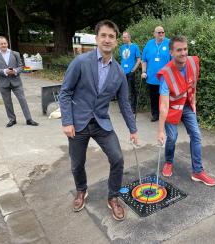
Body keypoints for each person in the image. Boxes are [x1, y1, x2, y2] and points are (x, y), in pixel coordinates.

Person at [59, 20, 138, 221]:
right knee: (77, 163)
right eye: (103, 35)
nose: (107, 39)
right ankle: (81, 190)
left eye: (111, 36)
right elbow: (65, 92)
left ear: (116, 41)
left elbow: (124, 103)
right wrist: (67, 122)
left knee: (118, 158)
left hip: (102, 122)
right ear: (96, 39)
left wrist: (133, 129)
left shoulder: (119, 72)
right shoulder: (80, 62)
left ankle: (112, 197)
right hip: (78, 122)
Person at [156, 35, 215, 186]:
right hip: (172, 109)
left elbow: (193, 83)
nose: (183, 53)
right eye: (179, 50)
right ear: (171, 52)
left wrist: (194, 101)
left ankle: (197, 171)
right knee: (172, 137)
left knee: (196, 135)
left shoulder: (192, 62)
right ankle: (169, 162)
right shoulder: (166, 74)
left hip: (187, 105)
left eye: (185, 49)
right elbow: (163, 106)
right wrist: (160, 130)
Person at [0, 36, 39, 127]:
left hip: (16, 82)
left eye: (5, 43)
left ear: (7, 43)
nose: (4, 45)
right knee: (7, 102)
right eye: (1, 44)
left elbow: (21, 66)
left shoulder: (15, 53)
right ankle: (12, 120)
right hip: (3, 83)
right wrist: (4, 71)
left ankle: (29, 119)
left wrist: (15, 71)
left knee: (23, 100)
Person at [141, 26, 171, 122]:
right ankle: (155, 115)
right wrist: (144, 71)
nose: (161, 34)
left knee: (164, 98)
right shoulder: (149, 44)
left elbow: (174, 60)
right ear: (154, 34)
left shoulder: (169, 43)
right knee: (153, 98)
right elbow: (144, 60)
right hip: (152, 78)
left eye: (162, 32)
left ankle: (165, 115)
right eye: (159, 32)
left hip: (165, 78)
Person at [119, 31, 141, 114]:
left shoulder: (135, 47)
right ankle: (124, 108)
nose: (123, 39)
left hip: (130, 72)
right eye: (123, 37)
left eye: (125, 37)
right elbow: (123, 59)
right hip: (122, 72)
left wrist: (133, 70)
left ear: (129, 38)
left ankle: (133, 108)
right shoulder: (122, 47)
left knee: (131, 91)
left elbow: (138, 60)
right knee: (123, 91)